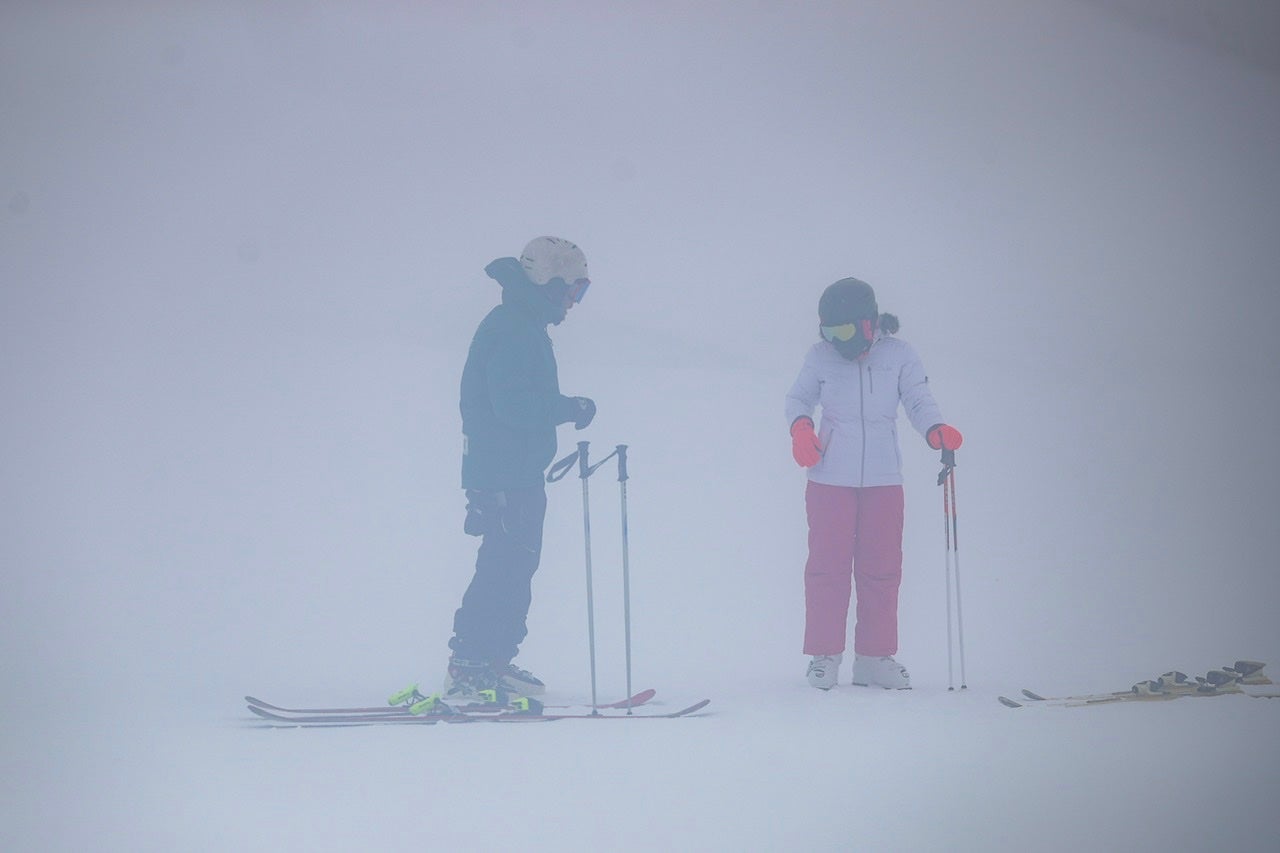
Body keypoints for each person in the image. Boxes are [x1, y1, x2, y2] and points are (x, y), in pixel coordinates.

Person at [784, 277, 962, 690]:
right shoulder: (820, 357)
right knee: (827, 569)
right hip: (829, 479)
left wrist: (935, 429)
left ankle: (874, 657)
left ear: (867, 324)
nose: (835, 340)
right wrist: (801, 428)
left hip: (883, 479)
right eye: (828, 332)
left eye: (842, 331)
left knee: (882, 570)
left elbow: (918, 399)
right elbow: (797, 399)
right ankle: (824, 656)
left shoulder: (899, 355)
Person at [444, 236, 596, 704]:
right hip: (503, 473)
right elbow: (511, 405)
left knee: (513, 567)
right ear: (550, 285)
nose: (575, 302)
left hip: (512, 471)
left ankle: (491, 661)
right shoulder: (513, 329)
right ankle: (470, 665)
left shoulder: (521, 325)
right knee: (503, 569)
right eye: (575, 290)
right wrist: (568, 407)